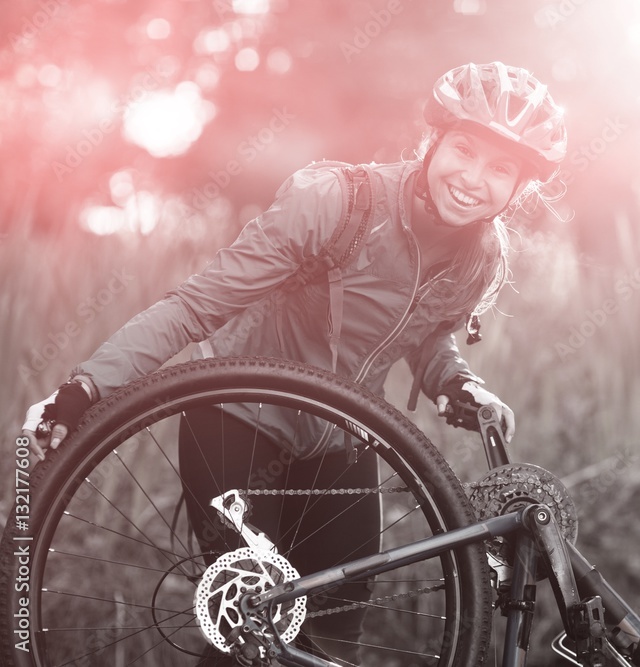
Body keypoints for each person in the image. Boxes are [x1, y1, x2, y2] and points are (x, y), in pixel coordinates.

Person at [20, 61, 567, 663]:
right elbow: (195, 306)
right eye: (465, 149)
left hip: (345, 440)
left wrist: (458, 384)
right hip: (239, 422)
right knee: (252, 625)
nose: (473, 178)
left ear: (520, 187)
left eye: (502, 169)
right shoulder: (336, 201)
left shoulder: (479, 255)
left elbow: (427, 332)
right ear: (434, 140)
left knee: (334, 632)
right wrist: (86, 388)